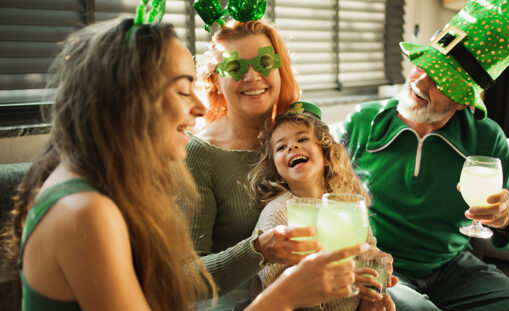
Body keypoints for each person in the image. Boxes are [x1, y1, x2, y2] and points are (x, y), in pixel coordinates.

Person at [1, 14, 367, 311]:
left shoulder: (103, 187)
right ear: (129, 98)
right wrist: (284, 296)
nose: (198, 106)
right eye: (181, 89)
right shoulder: (86, 212)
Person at [334, 0, 509, 310]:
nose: (420, 82)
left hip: (453, 267)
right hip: (381, 264)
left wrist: (508, 219)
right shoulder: (362, 122)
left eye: (439, 80)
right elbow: (315, 186)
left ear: (464, 101)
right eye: (423, 66)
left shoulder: (486, 138)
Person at [181, 19, 316, 308]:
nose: (253, 76)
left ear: (280, 69)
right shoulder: (199, 154)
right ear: (216, 79)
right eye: (234, 67)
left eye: (265, 62)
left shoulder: (304, 135)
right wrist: (259, 250)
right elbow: (184, 277)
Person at [248, 101, 398, 310]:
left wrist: (376, 266)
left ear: (326, 155)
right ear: (276, 169)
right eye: (281, 147)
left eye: (302, 139)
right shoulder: (279, 213)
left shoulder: (348, 204)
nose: (293, 146)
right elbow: (273, 286)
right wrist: (345, 280)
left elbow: (367, 247)